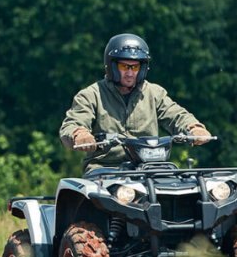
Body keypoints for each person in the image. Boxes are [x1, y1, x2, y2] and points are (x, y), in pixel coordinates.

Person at [59, 33, 211, 171]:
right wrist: (79, 134)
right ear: (111, 65)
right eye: (124, 66)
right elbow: (71, 124)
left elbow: (176, 114)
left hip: (150, 168)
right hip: (105, 168)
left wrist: (194, 128)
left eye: (135, 67)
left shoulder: (154, 93)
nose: (130, 73)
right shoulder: (91, 95)